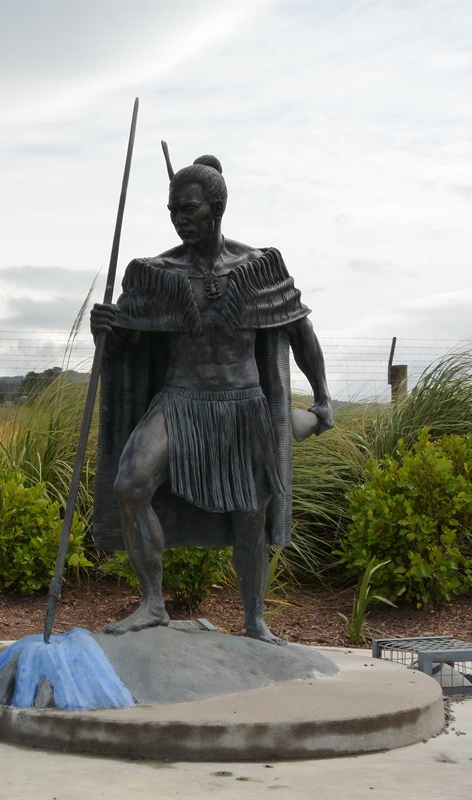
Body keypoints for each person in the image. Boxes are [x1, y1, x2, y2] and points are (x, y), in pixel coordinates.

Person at [91, 155, 333, 644]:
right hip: (179, 400)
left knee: (251, 518)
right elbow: (121, 352)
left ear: (217, 208)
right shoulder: (153, 274)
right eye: (173, 210)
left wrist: (323, 399)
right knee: (130, 484)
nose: (180, 219)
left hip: (243, 407)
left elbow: (300, 331)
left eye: (190, 209)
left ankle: (254, 621)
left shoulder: (259, 268)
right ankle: (154, 604)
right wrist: (105, 332)